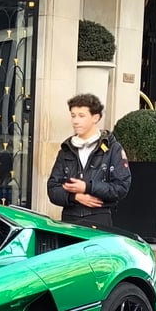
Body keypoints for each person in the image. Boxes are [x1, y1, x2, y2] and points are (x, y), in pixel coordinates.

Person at [46, 92, 131, 230]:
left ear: (95, 117)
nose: (75, 121)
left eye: (81, 116)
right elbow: (52, 189)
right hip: (69, 220)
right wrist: (74, 197)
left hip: (99, 218)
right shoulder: (66, 150)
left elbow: (121, 187)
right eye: (73, 115)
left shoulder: (112, 149)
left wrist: (88, 187)